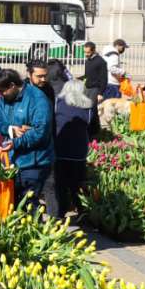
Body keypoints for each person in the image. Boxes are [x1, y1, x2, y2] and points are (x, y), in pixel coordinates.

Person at [0, 68, 54, 207]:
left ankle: (34, 227)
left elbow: (40, 132)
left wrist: (16, 143)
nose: (0, 95)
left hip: (34, 162)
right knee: (11, 205)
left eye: (2, 91)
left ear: (12, 85)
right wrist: (11, 129)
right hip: (11, 161)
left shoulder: (37, 99)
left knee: (29, 205)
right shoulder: (5, 98)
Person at [52, 80, 94, 219]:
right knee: (78, 183)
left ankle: (60, 212)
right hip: (79, 150)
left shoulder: (58, 103)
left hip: (60, 148)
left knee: (60, 183)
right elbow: (94, 127)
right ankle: (83, 211)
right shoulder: (88, 106)